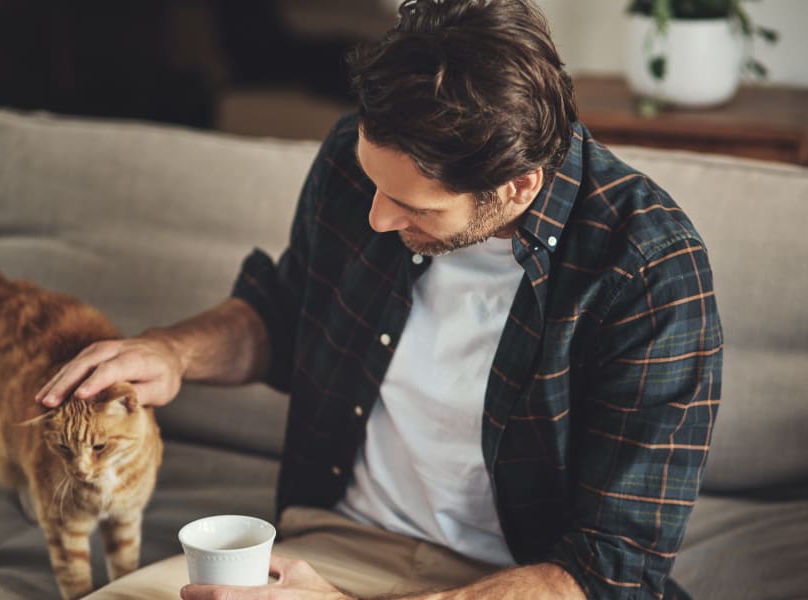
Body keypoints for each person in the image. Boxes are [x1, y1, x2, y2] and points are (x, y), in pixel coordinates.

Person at [37, 1, 722, 598]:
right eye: (373, 184)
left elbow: (610, 572)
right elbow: (285, 309)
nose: (376, 219)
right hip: (331, 542)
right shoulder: (349, 157)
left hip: (521, 579)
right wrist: (173, 353)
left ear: (516, 186)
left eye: (411, 204)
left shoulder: (649, 272)